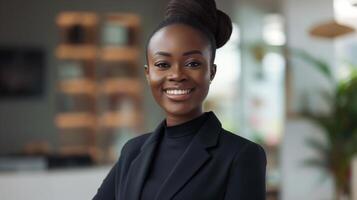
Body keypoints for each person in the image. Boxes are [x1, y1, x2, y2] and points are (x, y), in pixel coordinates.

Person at [93, 0, 266, 199]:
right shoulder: (132, 151)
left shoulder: (240, 155)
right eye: (163, 64)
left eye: (192, 63)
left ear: (211, 71)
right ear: (148, 74)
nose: (176, 75)